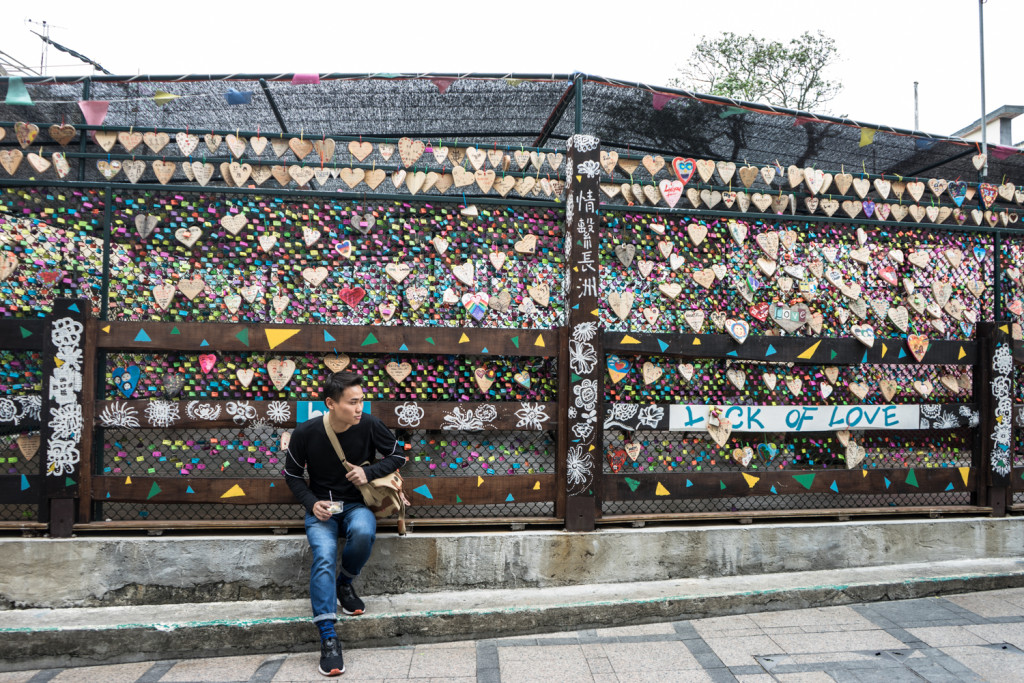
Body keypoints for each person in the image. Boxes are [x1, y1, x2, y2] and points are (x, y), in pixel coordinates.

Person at [284, 371, 407, 677]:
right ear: (331, 403)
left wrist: (370, 472)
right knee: (324, 556)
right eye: (352, 402)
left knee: (364, 531)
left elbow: (398, 455)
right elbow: (292, 475)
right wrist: (313, 503)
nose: (359, 408)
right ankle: (328, 636)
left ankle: (345, 583)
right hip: (322, 509)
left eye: (361, 400)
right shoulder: (306, 432)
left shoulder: (368, 425)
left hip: (355, 505)